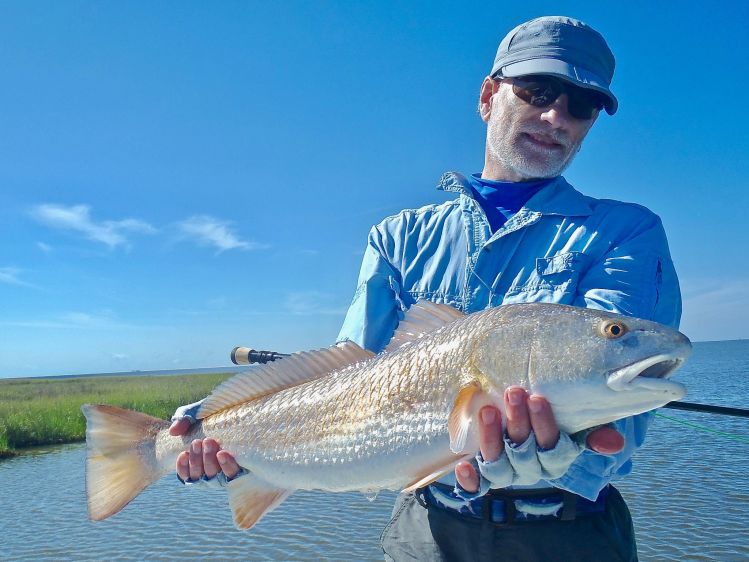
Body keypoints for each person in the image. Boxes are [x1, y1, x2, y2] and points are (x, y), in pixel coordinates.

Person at [170, 16, 681, 561]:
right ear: (488, 97)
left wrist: (574, 448)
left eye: (582, 105)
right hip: (425, 532)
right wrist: (215, 423)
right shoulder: (398, 237)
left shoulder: (626, 231)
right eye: (537, 90)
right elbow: (350, 373)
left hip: (570, 535)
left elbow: (615, 404)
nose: (556, 115)